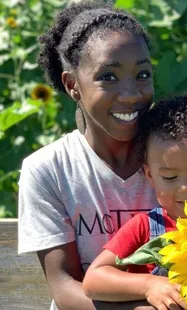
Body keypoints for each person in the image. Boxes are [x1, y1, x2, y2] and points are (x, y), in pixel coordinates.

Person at [18, 1, 159, 309]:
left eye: (143, 74)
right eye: (108, 76)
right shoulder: (49, 170)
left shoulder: (177, 156)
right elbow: (66, 289)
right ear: (72, 85)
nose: (132, 93)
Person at [82, 94, 187, 310]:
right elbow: (93, 280)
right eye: (170, 177)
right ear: (150, 176)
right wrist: (148, 285)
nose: (185, 188)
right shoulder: (145, 227)